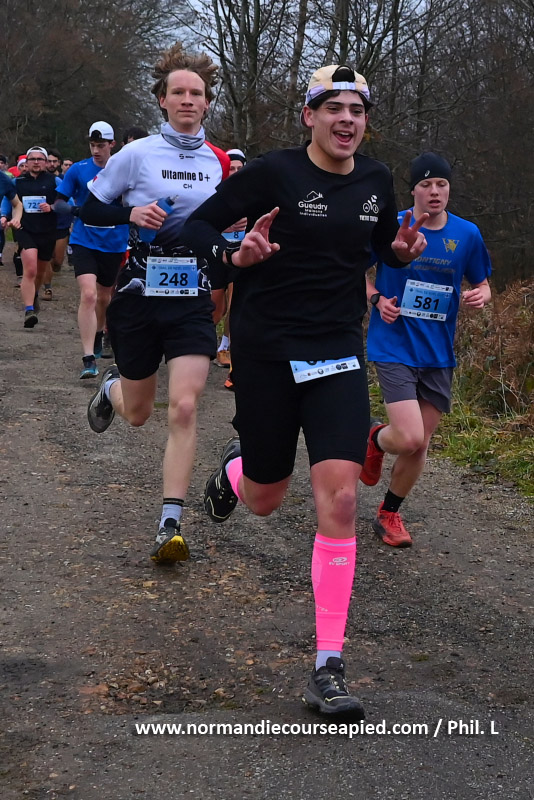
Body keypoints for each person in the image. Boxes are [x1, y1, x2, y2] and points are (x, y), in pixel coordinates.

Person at [181, 64, 427, 717]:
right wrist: (234, 258)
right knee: (266, 498)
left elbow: (379, 246)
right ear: (309, 116)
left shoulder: (375, 179)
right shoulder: (272, 173)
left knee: (341, 497)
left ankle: (328, 665)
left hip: (338, 350)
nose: (347, 119)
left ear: (366, 120)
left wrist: (399, 254)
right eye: (333, 108)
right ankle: (234, 473)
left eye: (357, 110)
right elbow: (195, 229)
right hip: (266, 351)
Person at [81, 43, 230, 564]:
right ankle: (112, 388)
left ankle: (171, 523)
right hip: (139, 295)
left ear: (207, 103)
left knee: (185, 406)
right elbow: (89, 210)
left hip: (192, 296)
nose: (188, 100)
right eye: (178, 92)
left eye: (197, 93)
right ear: (162, 100)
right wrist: (131, 215)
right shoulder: (136, 154)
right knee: (141, 413)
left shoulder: (219, 161)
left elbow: (220, 226)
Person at [362, 152, 491, 547]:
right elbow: (354, 272)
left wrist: (481, 295)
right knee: (408, 437)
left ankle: (389, 512)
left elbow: (483, 282)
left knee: (420, 443)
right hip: (394, 342)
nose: (434, 191)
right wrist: (376, 300)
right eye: (426, 184)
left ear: (449, 189)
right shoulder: (393, 225)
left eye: (441, 184)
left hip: (438, 351)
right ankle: (377, 439)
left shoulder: (467, 234)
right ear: (413, 190)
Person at [56, 122, 129, 378]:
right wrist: (77, 210)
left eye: (101, 145)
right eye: (92, 145)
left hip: (114, 242)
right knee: (88, 294)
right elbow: (58, 202)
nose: (96, 150)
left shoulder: (124, 170)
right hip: (84, 239)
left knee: (104, 297)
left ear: (112, 145)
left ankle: (100, 333)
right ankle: (88, 358)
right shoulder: (78, 169)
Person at [10, 146, 58, 328]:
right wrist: (5, 217)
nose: (36, 162)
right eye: (32, 159)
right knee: (29, 269)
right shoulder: (17, 182)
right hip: (25, 229)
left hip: (47, 231)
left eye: (40, 159)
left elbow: (67, 202)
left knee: (39, 272)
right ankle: (29, 310)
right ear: (26, 162)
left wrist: (52, 207)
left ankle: (34, 295)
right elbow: (8, 201)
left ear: (45, 162)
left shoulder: (55, 181)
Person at [215, 148, 248, 375]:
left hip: (240, 256)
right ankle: (204, 339)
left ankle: (226, 346)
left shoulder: (252, 192)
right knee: (217, 307)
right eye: (231, 168)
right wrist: (223, 226)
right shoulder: (215, 192)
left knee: (236, 301)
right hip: (217, 254)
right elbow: (201, 223)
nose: (235, 172)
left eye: (239, 168)